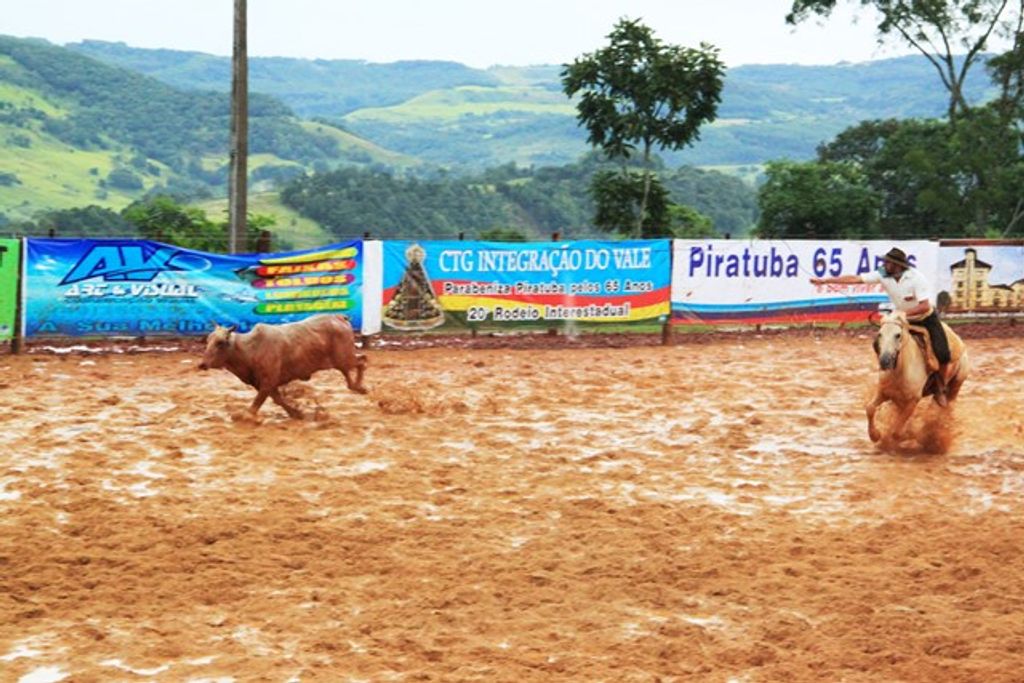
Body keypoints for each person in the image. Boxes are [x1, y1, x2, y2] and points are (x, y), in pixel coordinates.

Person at [810, 247, 952, 406]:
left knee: (943, 353)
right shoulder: (883, 274)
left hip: (925, 318)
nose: (884, 264)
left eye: (888, 262)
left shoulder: (916, 278)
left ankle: (940, 388)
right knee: (879, 343)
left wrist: (904, 314)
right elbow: (856, 279)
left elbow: (925, 306)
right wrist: (825, 281)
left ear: (898, 265)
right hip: (899, 318)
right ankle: (890, 379)